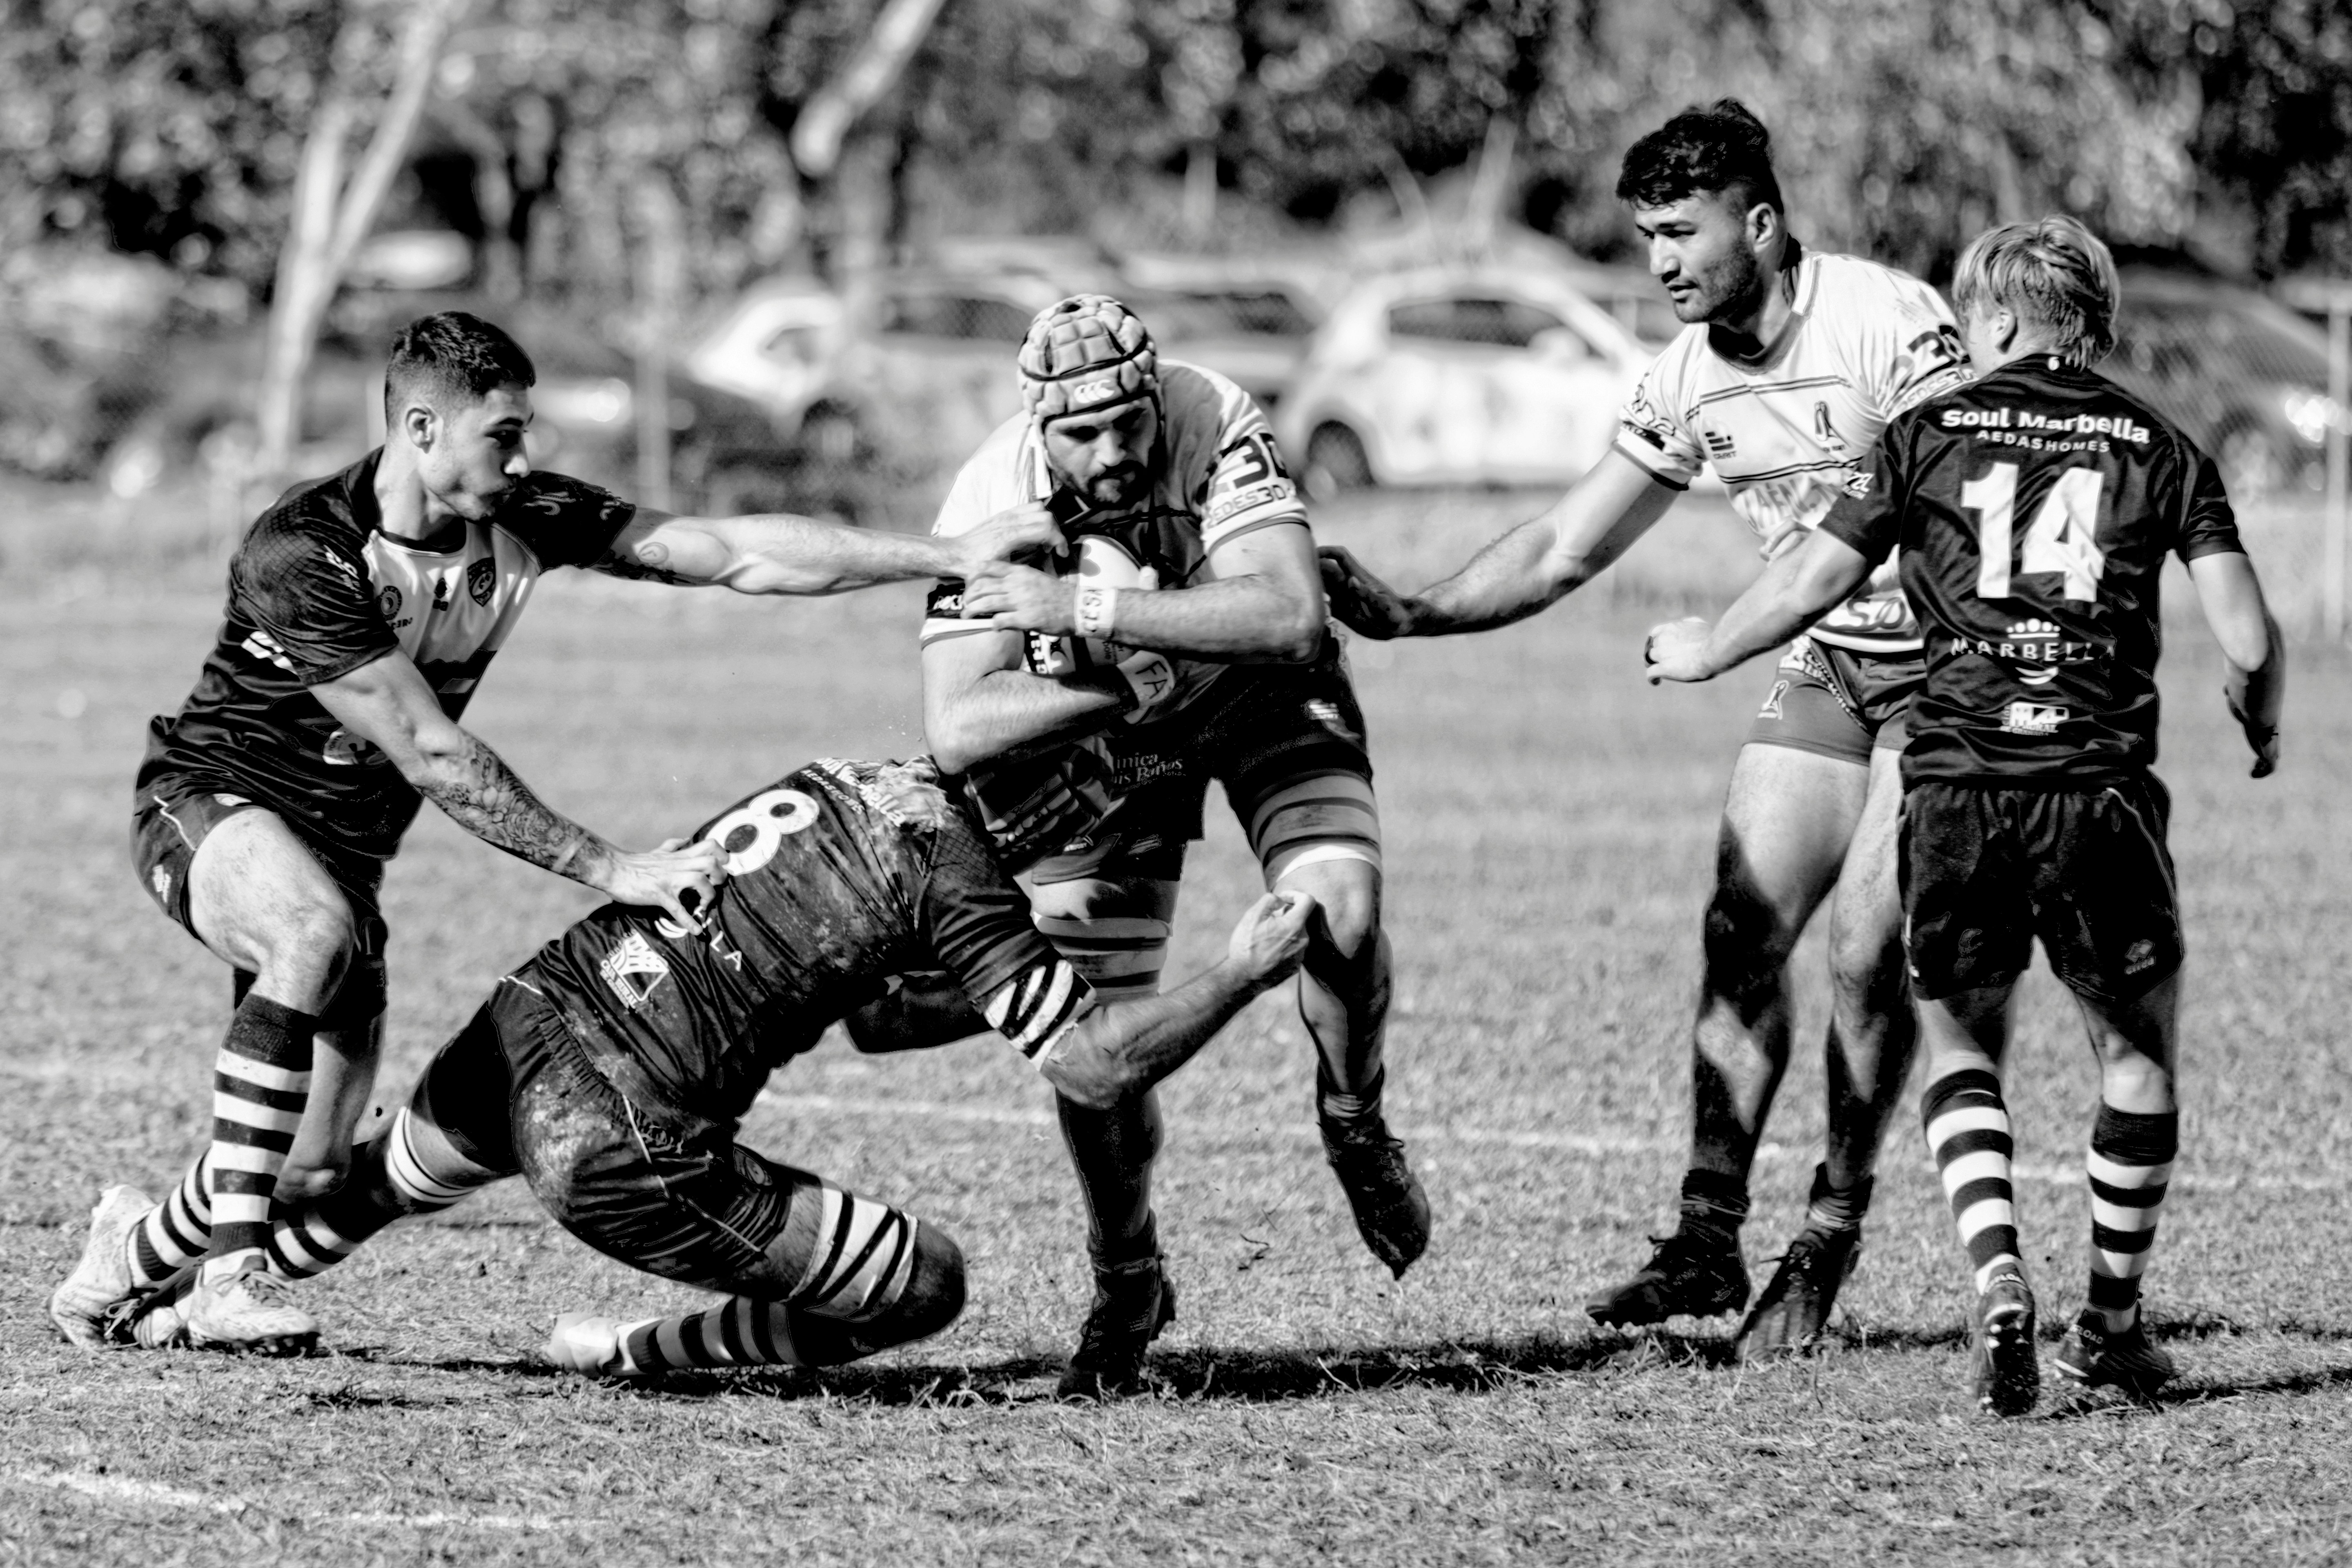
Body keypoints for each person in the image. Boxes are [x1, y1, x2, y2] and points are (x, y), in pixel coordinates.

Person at [48, 311, 1056, 1356]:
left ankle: (132, 1245)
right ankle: (226, 1276)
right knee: (309, 932)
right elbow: (435, 757)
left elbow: (733, 553)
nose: (524, 458)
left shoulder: (529, 515)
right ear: (423, 428)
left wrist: (948, 550)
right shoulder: (304, 553)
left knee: (307, 1169)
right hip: (209, 802)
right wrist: (609, 866)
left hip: (344, 863)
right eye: (503, 436)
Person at [1316, 100, 1972, 1356]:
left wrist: (1722, 638)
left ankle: (1826, 1234)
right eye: (1646, 236)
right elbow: (1568, 542)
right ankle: (1707, 1240)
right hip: (1836, 668)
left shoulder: (1887, 321)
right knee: (1742, 926)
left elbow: (1894, 518)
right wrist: (1413, 613)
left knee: (1861, 953)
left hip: (1948, 677)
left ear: (1762, 224)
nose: (1660, 259)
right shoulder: (1683, 378)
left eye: (1683, 230)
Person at [83, 758, 1319, 1379]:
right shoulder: (960, 872)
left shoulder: (857, 777)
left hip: (533, 1014)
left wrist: (992, 980)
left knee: (368, 1187)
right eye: (1092, 822)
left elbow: (877, 1026)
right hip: (615, 1133)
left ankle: (133, 1260)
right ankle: (637, 1351)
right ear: (1053, 804)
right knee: (926, 1286)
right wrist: (1238, 972)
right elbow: (1099, 1073)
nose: (1092, 848)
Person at [1644, 215, 2282, 1413]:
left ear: (1992, 320)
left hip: (1955, 784)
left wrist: (1708, 647)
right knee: (2135, 1052)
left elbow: (1812, 577)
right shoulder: (2162, 442)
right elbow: (2247, 639)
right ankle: (2110, 1323)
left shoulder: (1926, 431)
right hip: (2097, 789)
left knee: (1959, 1043)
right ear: (2090, 320)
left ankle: (1996, 1280)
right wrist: (2263, 721)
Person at [859, 293, 1425, 1397]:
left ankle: (1355, 1118)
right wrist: (1121, 684)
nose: (1115, 450)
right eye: (1083, 433)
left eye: (1129, 421)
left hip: (1263, 699)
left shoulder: (1212, 415)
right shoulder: (990, 494)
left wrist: (1088, 612)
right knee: (1095, 1048)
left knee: (1340, 912)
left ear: (1154, 391)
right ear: (1038, 429)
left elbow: (1291, 616)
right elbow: (958, 725)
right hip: (1112, 740)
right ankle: (1129, 1274)